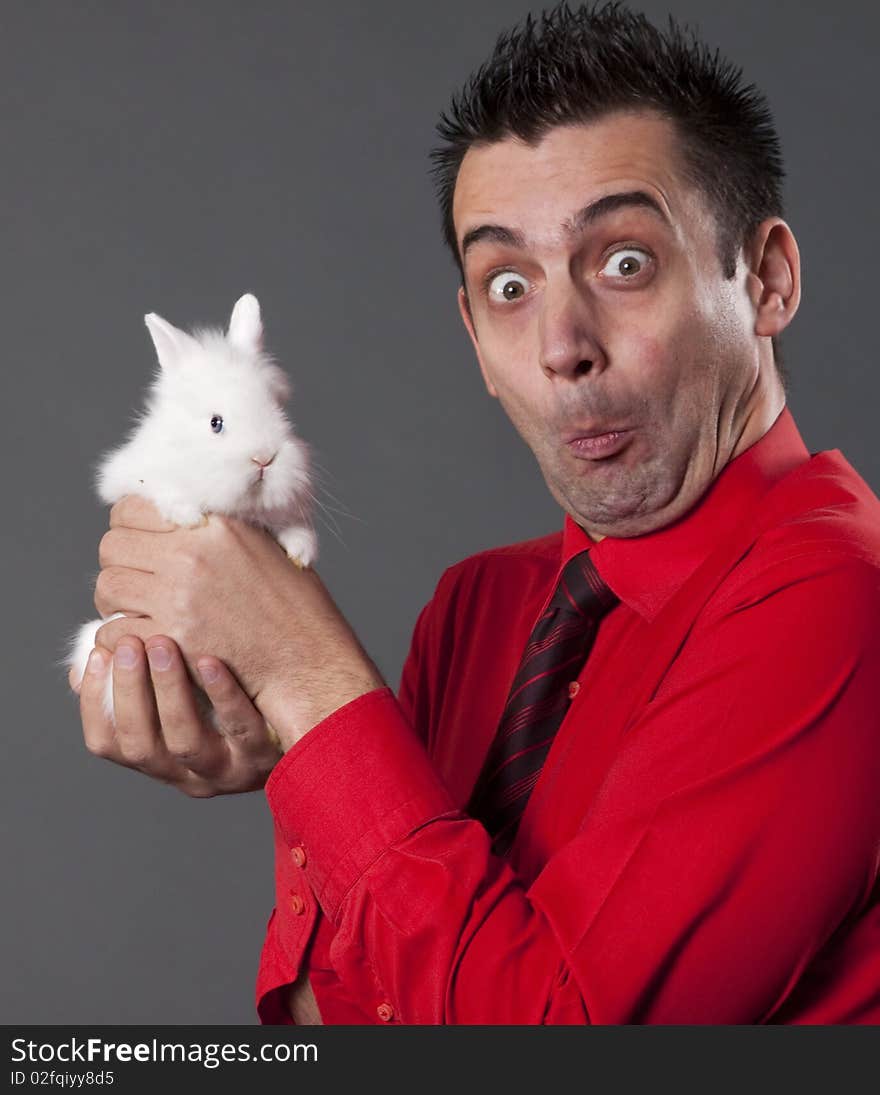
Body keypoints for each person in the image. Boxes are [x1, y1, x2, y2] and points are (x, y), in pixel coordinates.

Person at [71, 2, 880, 1023]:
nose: (560, 344)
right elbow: (339, 1016)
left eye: (623, 262)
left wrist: (305, 675)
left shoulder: (839, 598)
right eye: (508, 283)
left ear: (764, 279)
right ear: (469, 328)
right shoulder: (479, 608)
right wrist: (280, 727)